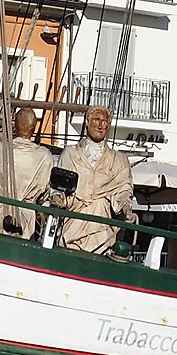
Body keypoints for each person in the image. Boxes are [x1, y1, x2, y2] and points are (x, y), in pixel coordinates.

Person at [55, 104, 137, 255]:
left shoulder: (118, 160)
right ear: (87, 121)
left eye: (104, 122)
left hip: (101, 230)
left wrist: (126, 209)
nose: (100, 125)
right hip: (73, 225)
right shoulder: (70, 154)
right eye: (96, 120)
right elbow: (58, 187)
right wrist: (57, 199)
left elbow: (124, 191)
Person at [0, 102, 55, 236]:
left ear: (14, 125)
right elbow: (45, 192)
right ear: (34, 127)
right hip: (25, 217)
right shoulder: (44, 156)